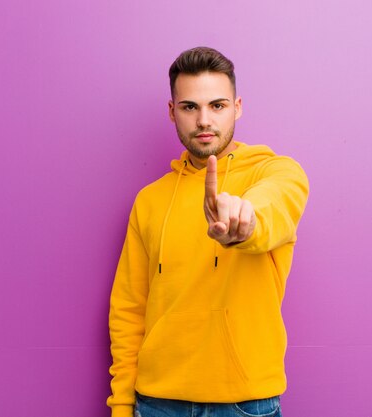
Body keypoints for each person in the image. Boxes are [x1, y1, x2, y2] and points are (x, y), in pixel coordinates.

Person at [107, 46, 309, 417]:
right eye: (189, 107)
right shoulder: (149, 201)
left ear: (238, 107)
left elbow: (273, 205)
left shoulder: (275, 173)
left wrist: (245, 224)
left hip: (245, 404)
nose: (204, 120)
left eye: (217, 105)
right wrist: (121, 405)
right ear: (172, 112)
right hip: (156, 403)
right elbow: (128, 310)